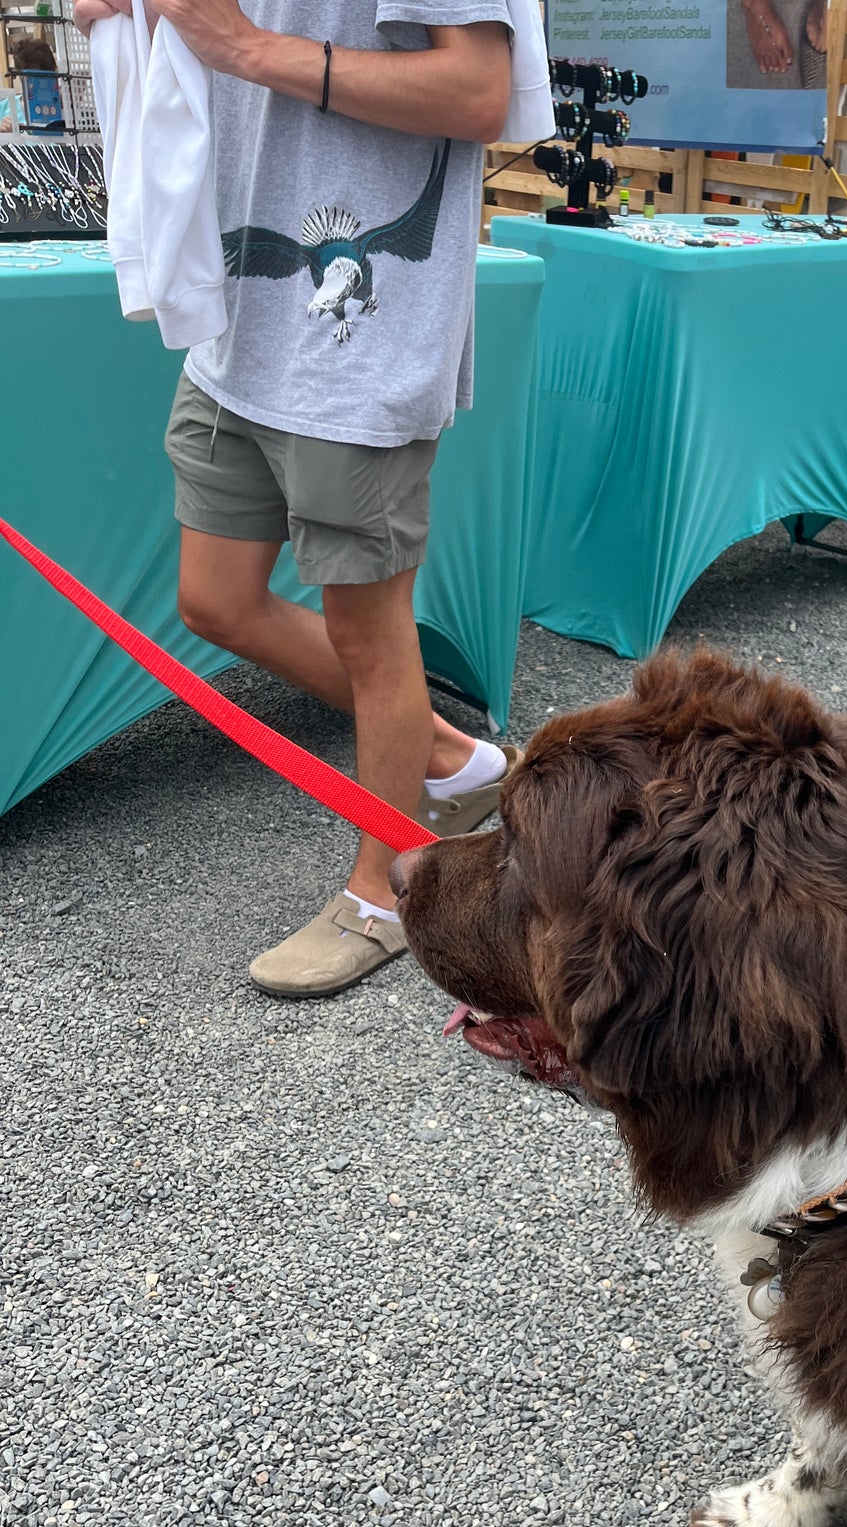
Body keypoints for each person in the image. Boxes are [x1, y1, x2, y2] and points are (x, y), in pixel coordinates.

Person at [75, 0, 522, 998]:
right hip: (239, 317)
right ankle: (445, 762)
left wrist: (246, 48)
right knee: (215, 597)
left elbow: (480, 89)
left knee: (370, 632)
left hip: (357, 343)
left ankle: (387, 891)